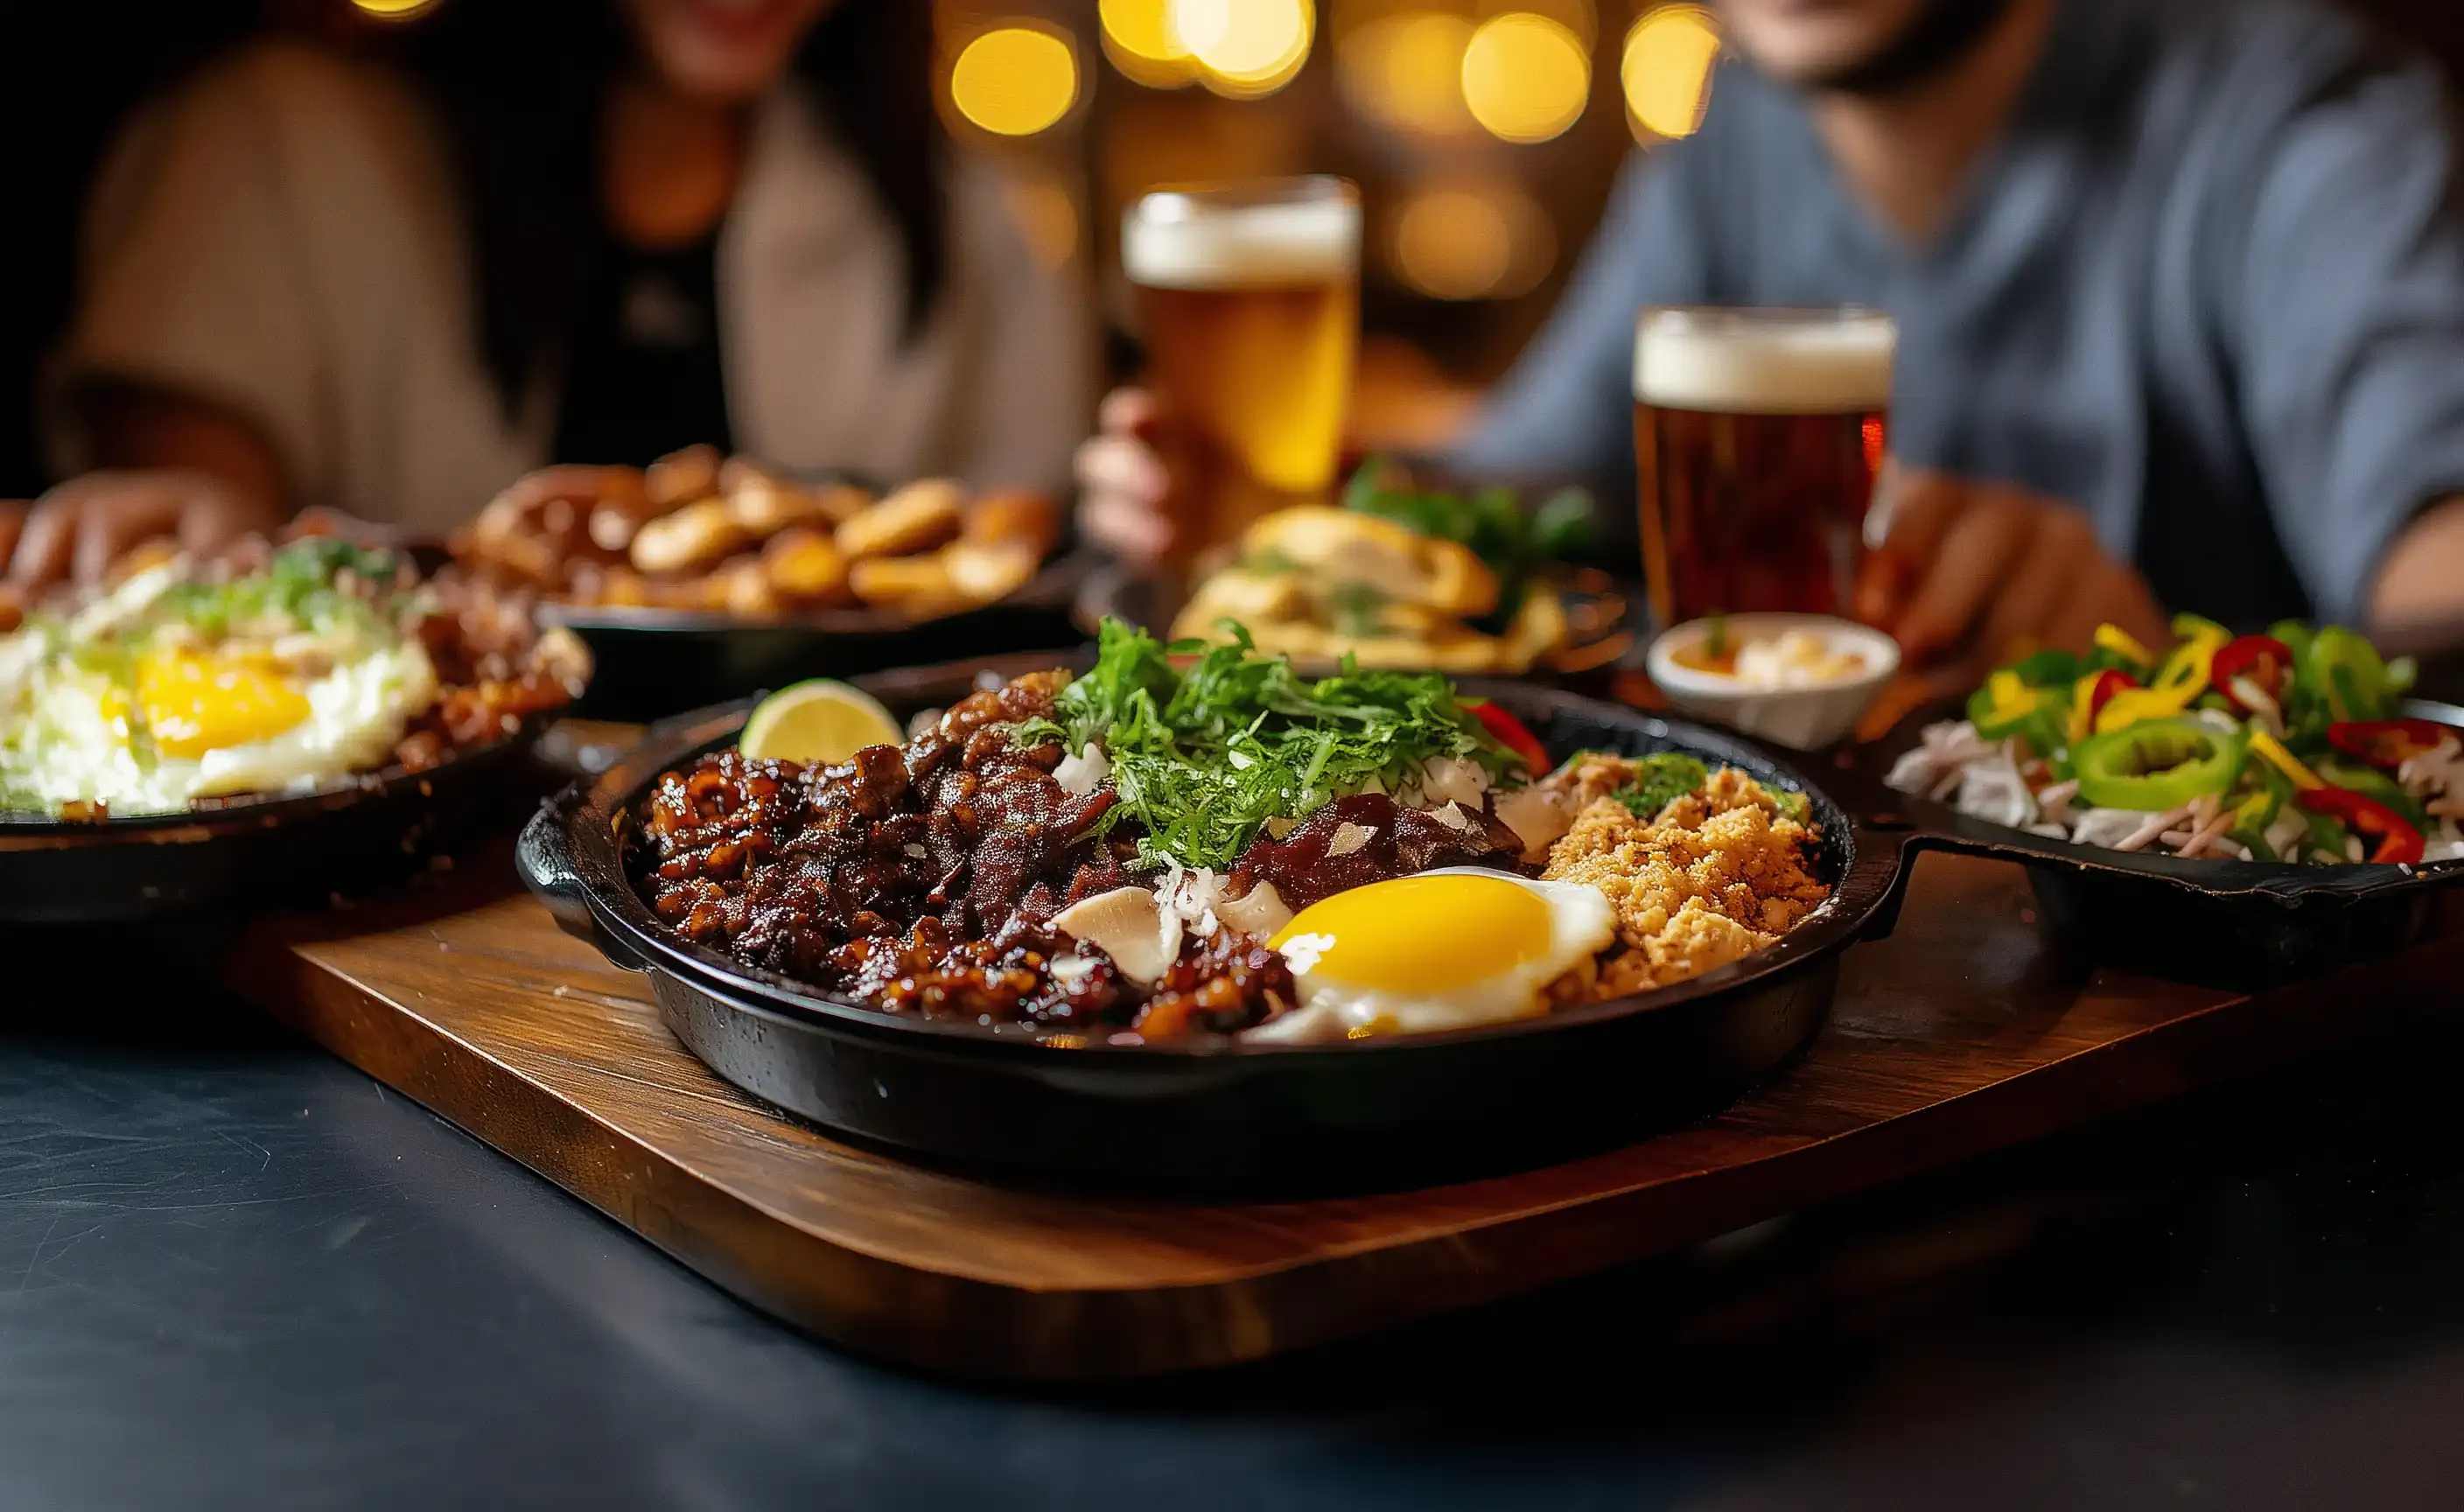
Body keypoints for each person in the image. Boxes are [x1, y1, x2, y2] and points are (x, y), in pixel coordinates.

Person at [1081, 0, 2464, 681]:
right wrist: (1288, 502)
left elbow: (2439, 573)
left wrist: (2170, 656)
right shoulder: (1732, 141)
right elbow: (1530, 487)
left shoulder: (2301, 118)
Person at [4, 0, 1088, 584]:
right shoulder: (276, 144)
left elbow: (1028, 545)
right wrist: (190, 526)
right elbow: (189, 515)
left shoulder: (964, 219)